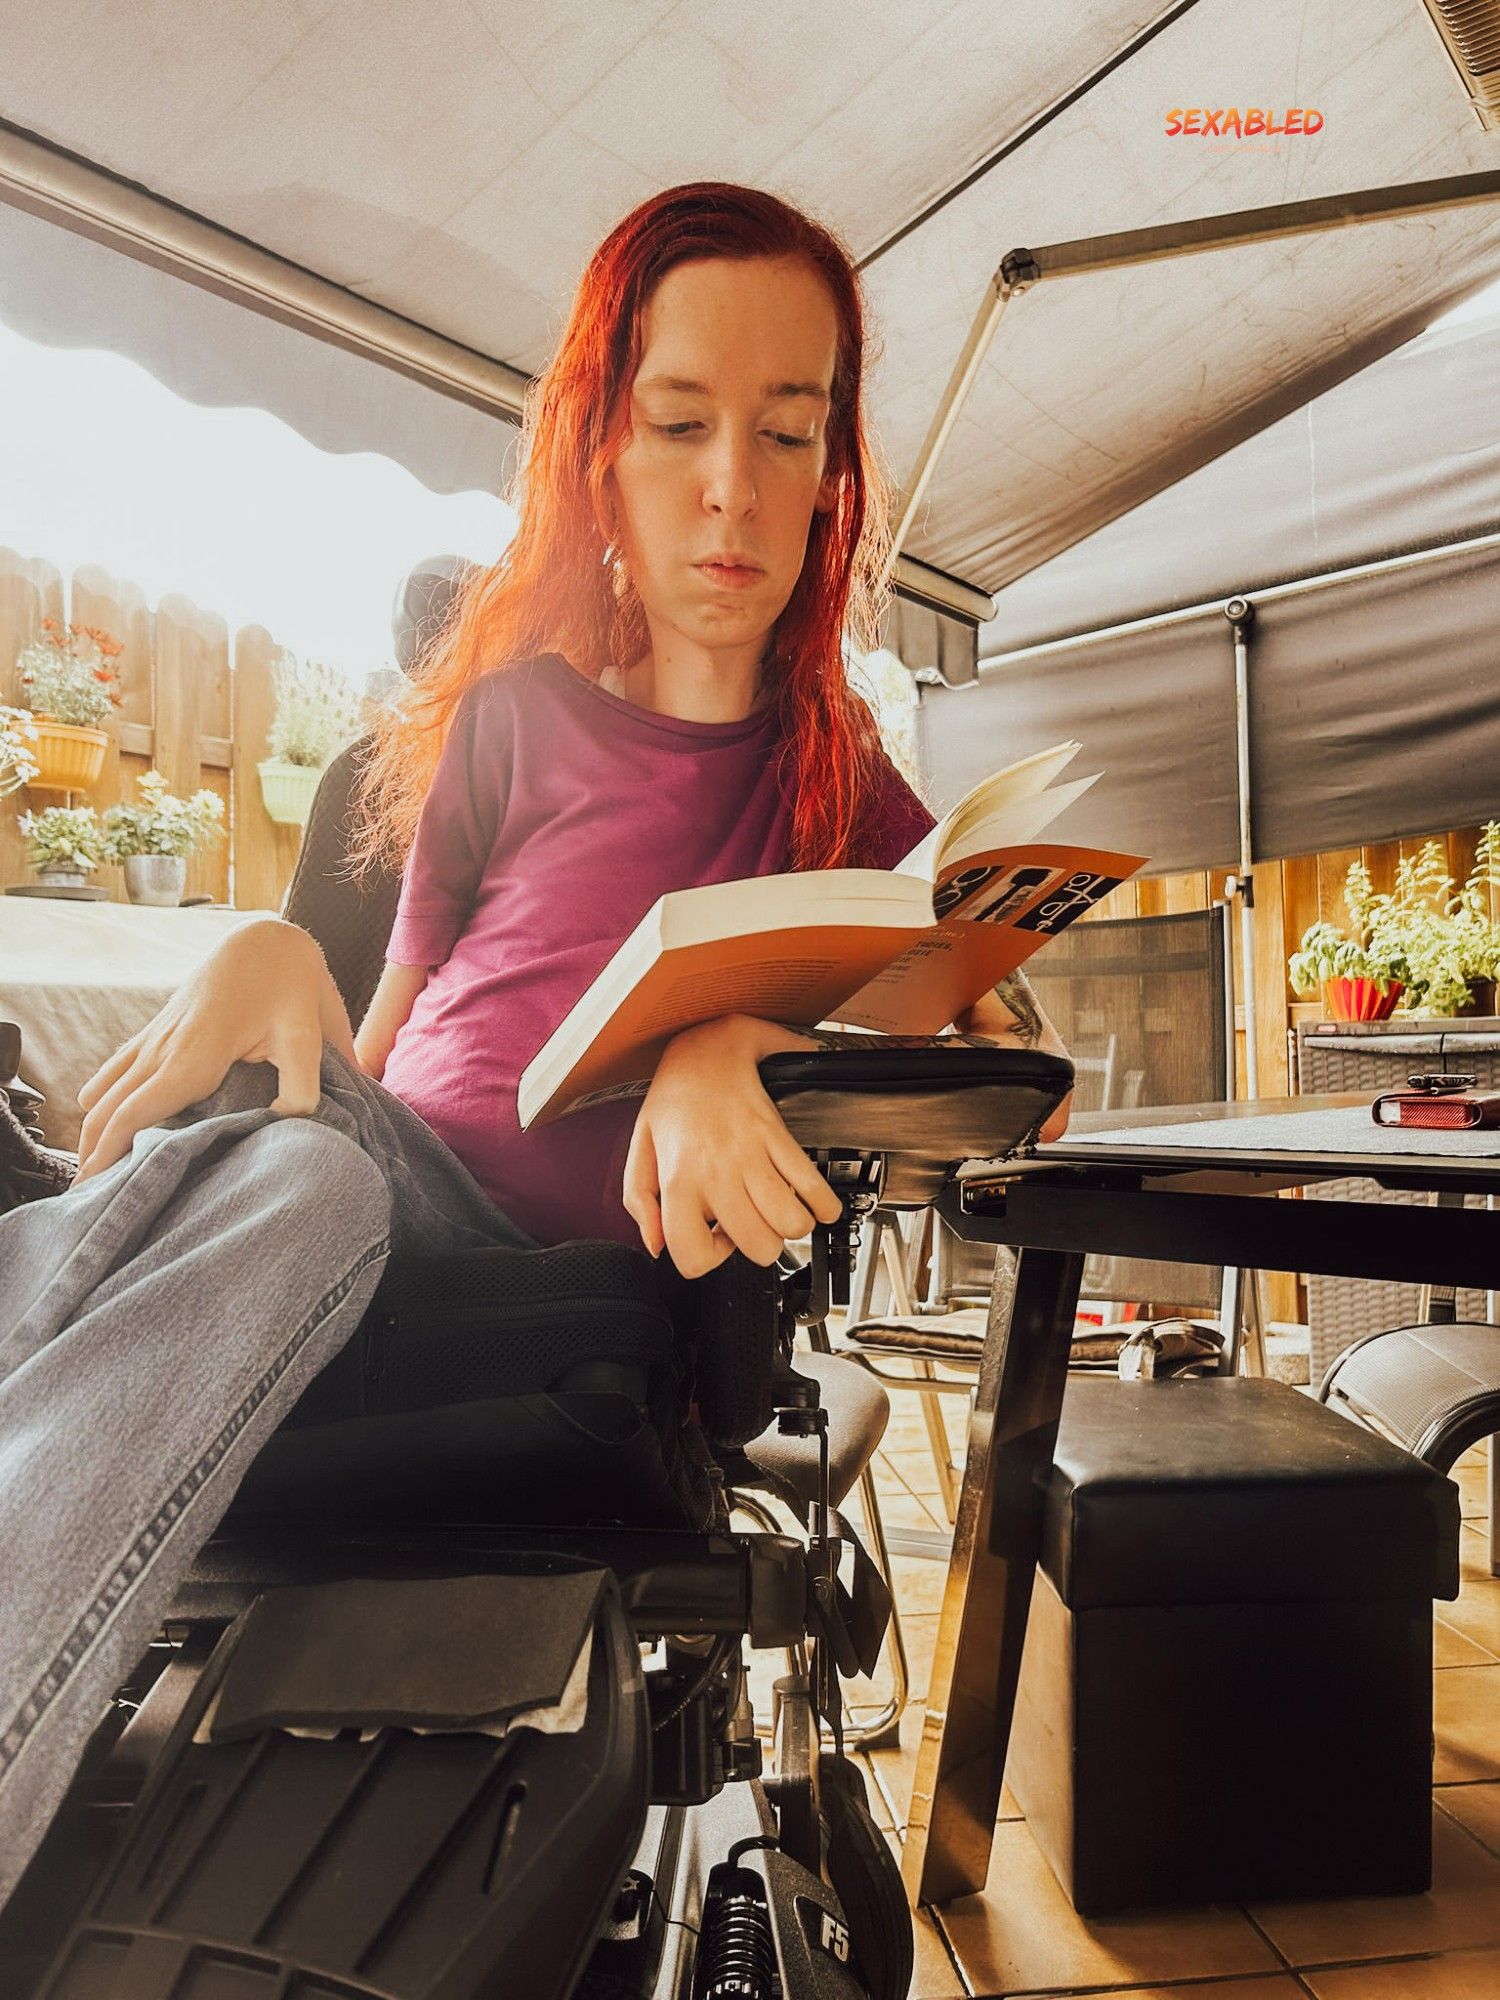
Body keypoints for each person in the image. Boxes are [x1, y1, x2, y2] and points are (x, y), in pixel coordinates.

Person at [0, 181, 1071, 1903]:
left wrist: (741, 1040)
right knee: (309, 1177)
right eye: (679, 422)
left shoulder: (851, 793)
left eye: (789, 435)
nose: (733, 485)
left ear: (831, 471)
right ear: (602, 451)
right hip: (384, 1183)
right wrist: (277, 970)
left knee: (304, 1198)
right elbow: (399, 1031)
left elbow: (965, 1007)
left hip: (590, 1289)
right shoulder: (505, 720)